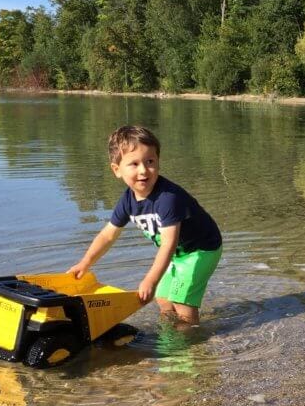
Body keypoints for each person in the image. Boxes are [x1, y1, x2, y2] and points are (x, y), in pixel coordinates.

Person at [68, 125, 222, 325]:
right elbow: (108, 236)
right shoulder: (128, 201)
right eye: (134, 163)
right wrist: (85, 263)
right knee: (163, 298)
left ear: (158, 162)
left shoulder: (168, 199)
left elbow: (168, 244)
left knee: (182, 302)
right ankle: (170, 334)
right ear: (117, 170)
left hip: (201, 250)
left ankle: (190, 343)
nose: (143, 170)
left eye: (150, 161)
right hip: (179, 253)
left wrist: (150, 279)